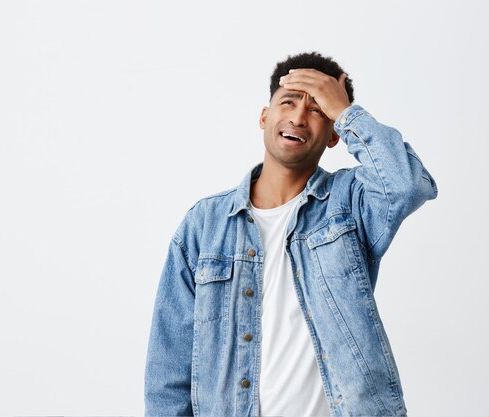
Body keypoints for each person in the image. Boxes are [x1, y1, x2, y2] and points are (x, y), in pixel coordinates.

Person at [144, 52, 437, 417]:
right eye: (288, 101)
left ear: (333, 136)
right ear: (264, 116)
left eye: (317, 109)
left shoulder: (350, 204)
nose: (298, 117)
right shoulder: (205, 224)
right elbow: (168, 371)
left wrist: (347, 114)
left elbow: (408, 185)